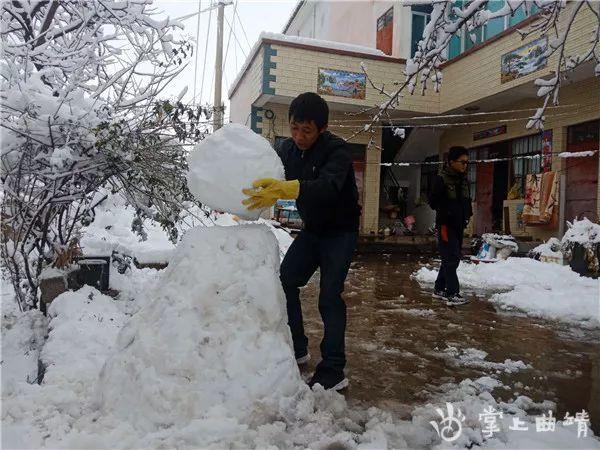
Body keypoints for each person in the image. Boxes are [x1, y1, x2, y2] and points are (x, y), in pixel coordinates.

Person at [242, 92, 360, 391]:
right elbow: (266, 172)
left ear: (322, 128)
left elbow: (328, 186)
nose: (298, 136)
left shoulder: (338, 151)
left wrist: (287, 188)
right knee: (286, 281)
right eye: (294, 128)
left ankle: (333, 369)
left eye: (306, 130)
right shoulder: (287, 149)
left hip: (340, 232)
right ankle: (296, 347)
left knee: (329, 297)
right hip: (312, 231)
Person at [428, 146, 473, 306]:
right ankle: (452, 292)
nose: (465, 165)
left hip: (459, 224)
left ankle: (439, 288)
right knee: (451, 258)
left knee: (451, 258)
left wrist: (467, 215)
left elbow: (466, 201)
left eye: (467, 162)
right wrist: (446, 211)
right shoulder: (441, 179)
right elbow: (432, 201)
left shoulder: (464, 180)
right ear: (452, 162)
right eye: (462, 162)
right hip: (446, 225)